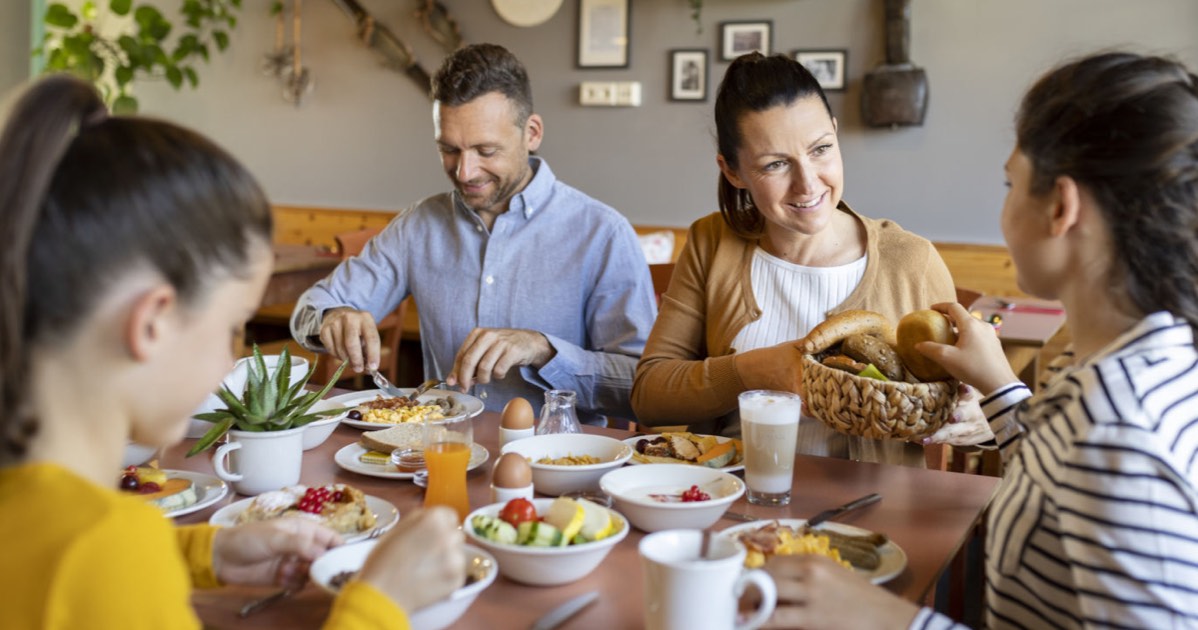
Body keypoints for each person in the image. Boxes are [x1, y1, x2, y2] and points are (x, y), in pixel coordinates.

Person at [0, 75, 464, 628]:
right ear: (152, 322)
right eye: (231, 330)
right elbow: (98, 570)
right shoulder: (107, 548)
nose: (232, 361)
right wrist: (381, 602)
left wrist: (207, 554)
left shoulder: (69, 527)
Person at [762, 51, 1198, 629]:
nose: (1004, 203)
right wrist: (999, 386)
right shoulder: (1117, 366)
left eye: (1010, 182)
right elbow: (1058, 483)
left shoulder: (1118, 432)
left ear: (1061, 207)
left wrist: (888, 620)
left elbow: (1095, 461)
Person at [292, 43, 656, 425]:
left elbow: (645, 387)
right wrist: (333, 317)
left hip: (554, 467)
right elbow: (311, 308)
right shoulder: (418, 226)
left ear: (531, 133)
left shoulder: (602, 233)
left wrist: (544, 350)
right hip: (439, 457)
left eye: (486, 150)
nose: (465, 172)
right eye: (449, 150)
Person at [631, 53, 957, 466]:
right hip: (734, 500)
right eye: (776, 164)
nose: (808, 184)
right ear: (732, 171)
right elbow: (649, 396)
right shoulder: (712, 243)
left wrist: (974, 418)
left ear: (836, 135)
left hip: (872, 515)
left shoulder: (912, 259)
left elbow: (974, 403)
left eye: (821, 149)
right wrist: (752, 371)